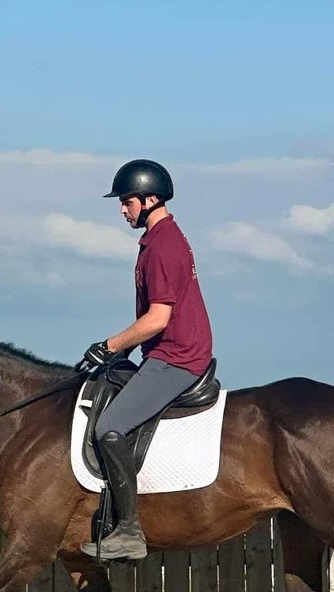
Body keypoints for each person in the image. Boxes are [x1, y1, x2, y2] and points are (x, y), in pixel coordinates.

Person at [79, 159, 214, 561]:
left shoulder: (162, 245)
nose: (122, 210)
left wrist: (110, 345)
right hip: (168, 352)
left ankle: (129, 532)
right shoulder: (162, 239)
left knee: (111, 429)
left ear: (149, 199)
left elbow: (158, 318)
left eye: (126, 202)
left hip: (176, 356)